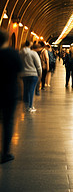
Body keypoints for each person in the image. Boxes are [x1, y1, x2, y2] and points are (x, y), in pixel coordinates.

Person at [0, 30, 23, 163]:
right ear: (7, 40)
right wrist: (20, 93)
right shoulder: (13, 53)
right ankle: (6, 153)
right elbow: (19, 74)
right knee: (8, 122)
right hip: (9, 92)